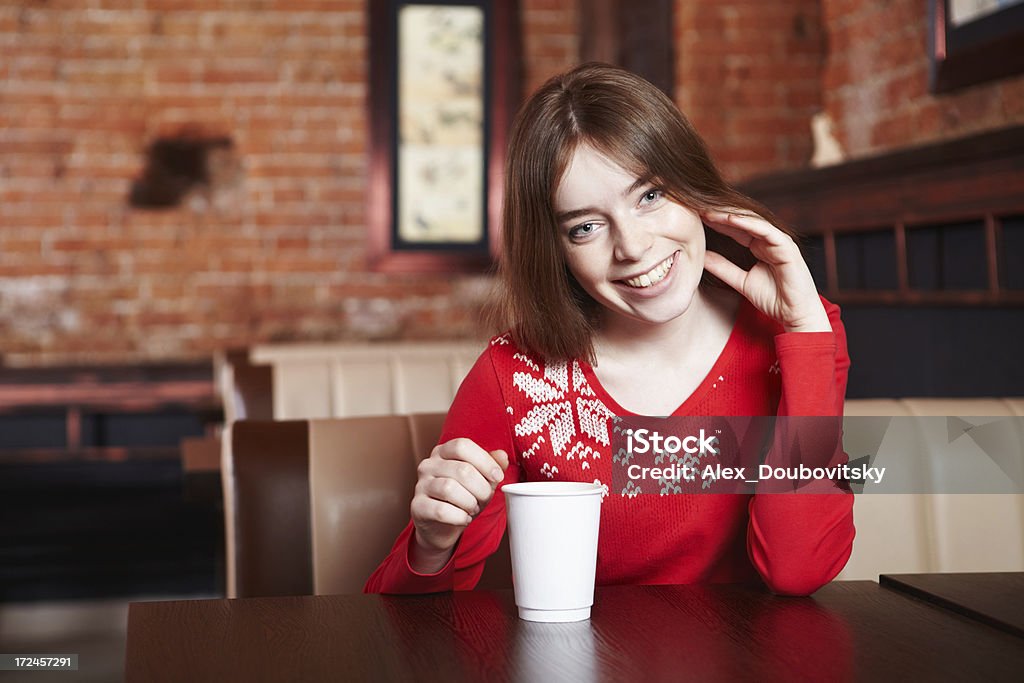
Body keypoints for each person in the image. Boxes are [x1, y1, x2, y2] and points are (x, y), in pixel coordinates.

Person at [365, 62, 854, 596]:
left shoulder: (801, 334)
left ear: (695, 189)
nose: (633, 246)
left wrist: (805, 333)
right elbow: (398, 623)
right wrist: (433, 544)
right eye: (586, 227)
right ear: (556, 250)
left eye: (650, 196)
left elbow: (798, 569)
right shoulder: (514, 376)